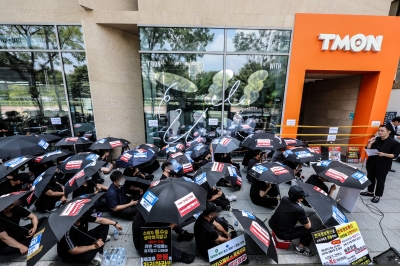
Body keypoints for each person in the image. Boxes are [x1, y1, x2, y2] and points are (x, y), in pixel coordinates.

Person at [57, 212, 122, 265]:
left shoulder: (83, 217)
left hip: (82, 238)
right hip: (70, 252)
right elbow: (74, 251)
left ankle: (99, 243)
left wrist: (115, 223)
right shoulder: (66, 230)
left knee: (105, 226)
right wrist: (94, 246)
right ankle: (97, 251)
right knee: (87, 257)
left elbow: (100, 220)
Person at [268, 185, 315, 257]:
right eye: (302, 197)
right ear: (299, 199)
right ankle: (300, 249)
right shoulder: (299, 209)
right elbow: (308, 227)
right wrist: (307, 219)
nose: (303, 198)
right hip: (283, 234)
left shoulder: (284, 199)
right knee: (311, 231)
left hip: (273, 225)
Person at [360, 125, 400, 203]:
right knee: (370, 178)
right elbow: (368, 149)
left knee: (380, 180)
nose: (379, 132)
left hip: (383, 164)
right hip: (372, 162)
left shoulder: (394, 143)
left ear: (388, 132)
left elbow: (395, 155)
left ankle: (378, 195)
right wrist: (369, 143)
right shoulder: (376, 139)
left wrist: (384, 154)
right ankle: (370, 192)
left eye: (382, 131)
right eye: (379, 130)